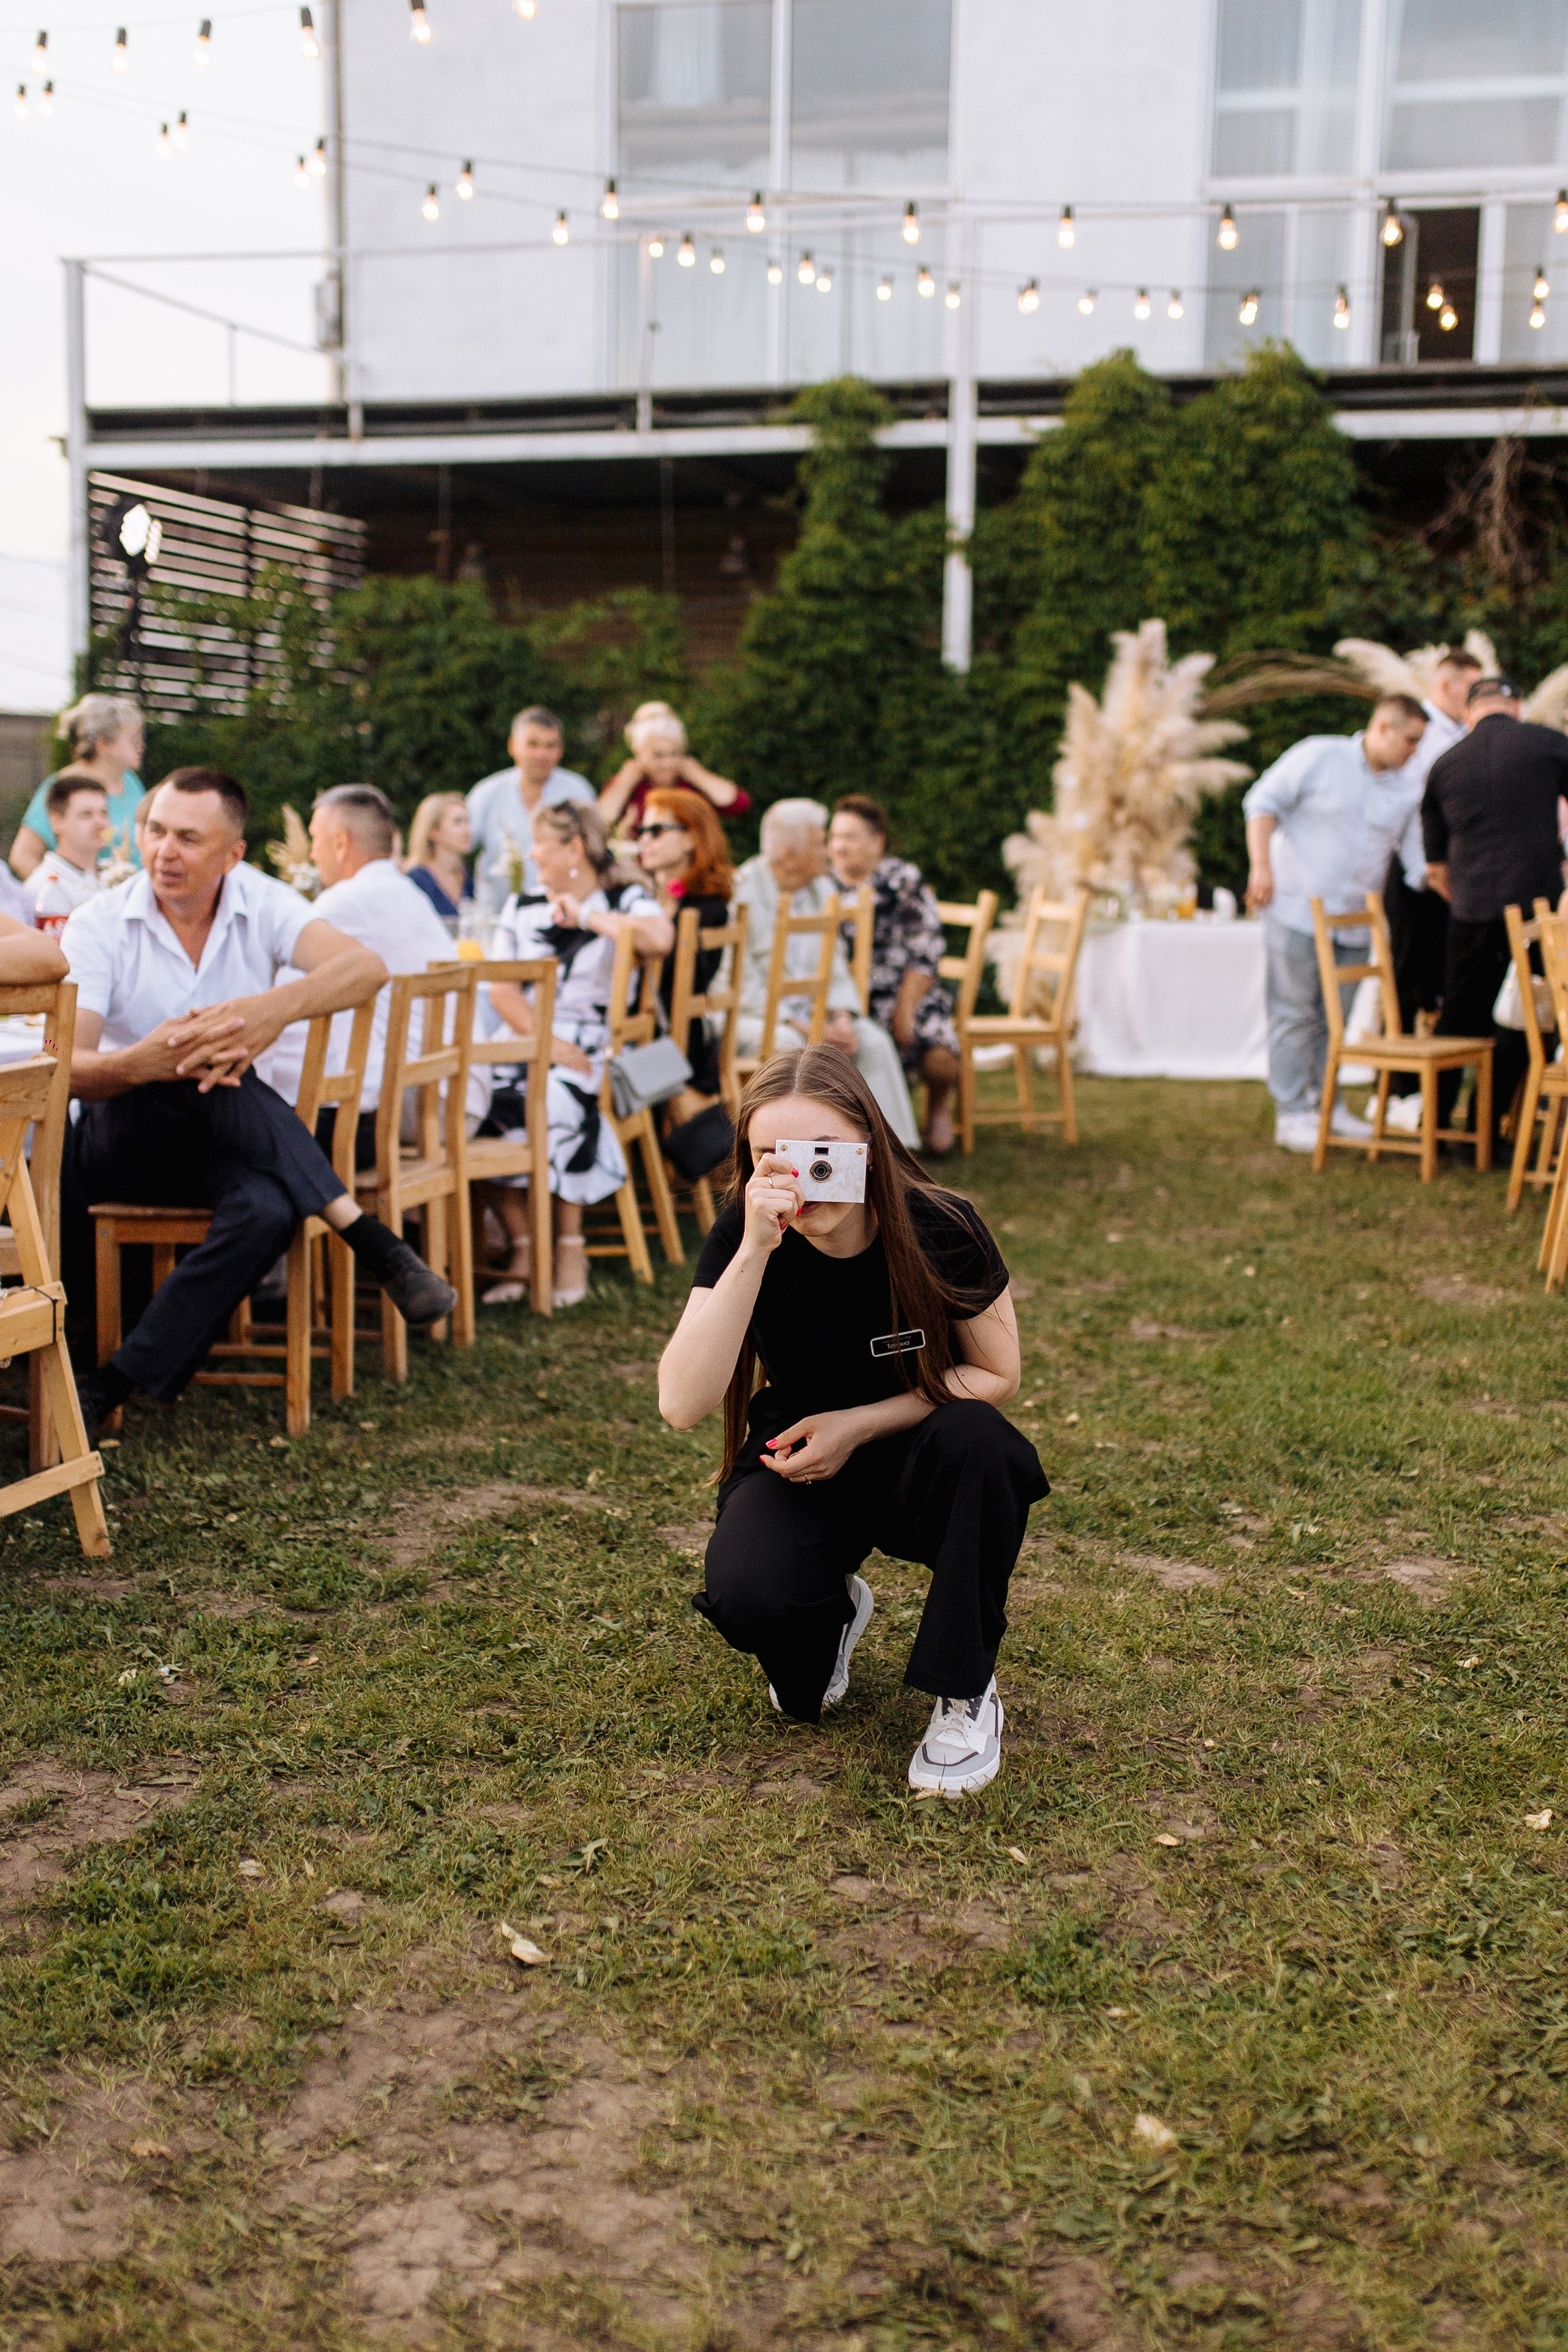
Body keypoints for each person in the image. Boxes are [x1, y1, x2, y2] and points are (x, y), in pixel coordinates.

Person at [658, 1046, 1047, 1795]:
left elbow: (996, 1374)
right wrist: (754, 1251)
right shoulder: (748, 1230)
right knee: (762, 1619)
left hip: (923, 1448)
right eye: (773, 1156)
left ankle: (965, 1688)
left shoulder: (940, 1224)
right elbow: (680, 1403)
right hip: (800, 1452)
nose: (801, 1174)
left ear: (869, 1141)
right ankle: (829, 1612)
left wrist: (859, 1423)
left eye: (824, 1151)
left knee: (982, 1441)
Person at [58, 766, 459, 1436]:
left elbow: (365, 969)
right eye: (155, 831)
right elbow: (68, 1068)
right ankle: (369, 1238)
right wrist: (144, 1062)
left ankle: (111, 1384)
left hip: (224, 1141)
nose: (164, 851)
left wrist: (270, 1011)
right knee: (201, 1051)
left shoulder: (262, 901)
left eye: (188, 838)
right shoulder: (99, 923)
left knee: (268, 1209)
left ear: (232, 854)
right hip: (120, 1139)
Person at [479, 801, 673, 1309]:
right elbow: (501, 991)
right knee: (476, 1099)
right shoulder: (522, 906)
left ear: (574, 849)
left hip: (597, 1041)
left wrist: (586, 915)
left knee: (556, 1095)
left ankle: (570, 1245)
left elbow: (659, 938)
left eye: (539, 843)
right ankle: (523, 1246)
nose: (531, 854)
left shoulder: (623, 899)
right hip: (529, 1034)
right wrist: (546, 1043)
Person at [257, 785, 484, 1170]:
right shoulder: (404, 890)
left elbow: (282, 994)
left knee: (273, 1114)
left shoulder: (347, 901)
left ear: (341, 843)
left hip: (429, 1103)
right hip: (458, 1091)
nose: (312, 854)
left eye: (315, 839)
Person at [1243, 695, 1428, 1154]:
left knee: (1335, 1020)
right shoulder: (1319, 755)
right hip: (1296, 912)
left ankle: (1327, 1105)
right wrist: (1261, 868)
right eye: (1410, 740)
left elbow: (1416, 862)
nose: (1415, 751)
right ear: (1383, 729)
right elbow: (1261, 803)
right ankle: (1291, 1113)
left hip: (1354, 924)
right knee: (1294, 1014)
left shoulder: (1408, 790)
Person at [1423, 676, 1568, 1148]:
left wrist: (1465, 897)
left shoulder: (1445, 764)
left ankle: (1437, 1129)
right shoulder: (1549, 745)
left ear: (1469, 714)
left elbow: (1435, 867)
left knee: (1458, 1020)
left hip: (1470, 911)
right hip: (1536, 912)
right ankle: (1490, 1129)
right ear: (1517, 707)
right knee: (1528, 1019)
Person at [732, 800, 921, 1149]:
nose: (830, 850)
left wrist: (841, 1016)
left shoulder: (822, 890)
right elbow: (739, 983)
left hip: (815, 1013)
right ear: (790, 853)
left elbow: (835, 965)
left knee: (873, 1041)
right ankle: (801, 1151)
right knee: (790, 1046)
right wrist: (807, 1027)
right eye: (821, 842)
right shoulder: (739, 891)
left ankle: (893, 1154)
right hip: (753, 1016)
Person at [827, 794, 962, 1156]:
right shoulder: (821, 884)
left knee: (939, 1054)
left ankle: (937, 1107)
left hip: (905, 990)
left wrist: (905, 1010)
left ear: (877, 841)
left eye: (850, 837)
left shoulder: (902, 880)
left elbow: (926, 951)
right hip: (845, 999)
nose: (839, 846)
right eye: (834, 836)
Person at [1382, 648, 1480, 1105]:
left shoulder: (1461, 736)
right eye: (1471, 687)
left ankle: (1422, 1086)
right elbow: (1410, 814)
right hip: (1414, 879)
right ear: (1446, 685)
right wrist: (1426, 873)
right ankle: (1398, 1088)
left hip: (1444, 882)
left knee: (1434, 985)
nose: (1476, 697)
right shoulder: (1422, 738)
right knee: (1405, 982)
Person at [634, 783, 733, 1102]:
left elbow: (676, 981)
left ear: (692, 838)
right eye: (641, 831)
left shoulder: (708, 908)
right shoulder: (641, 900)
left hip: (669, 1048)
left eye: (656, 831)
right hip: (647, 1037)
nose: (644, 840)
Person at [467, 707, 595, 918]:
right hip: (495, 915)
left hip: (560, 916)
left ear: (561, 750)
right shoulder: (487, 793)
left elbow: (592, 852)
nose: (542, 754)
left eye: (551, 746)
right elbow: (458, 846)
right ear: (513, 746)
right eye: (533, 744)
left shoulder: (578, 792)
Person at [10, 695, 145, 880]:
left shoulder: (130, 781)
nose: (141, 746)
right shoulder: (63, 787)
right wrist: (62, 891)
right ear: (104, 744)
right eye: (134, 739)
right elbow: (22, 856)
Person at [598, 702, 749, 839]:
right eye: (658, 755)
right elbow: (600, 820)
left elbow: (739, 804)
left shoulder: (689, 785)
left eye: (674, 754)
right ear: (639, 754)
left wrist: (698, 775)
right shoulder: (632, 785)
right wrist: (625, 782)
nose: (668, 764)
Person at [30, 774, 111, 935]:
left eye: (104, 813)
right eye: (86, 815)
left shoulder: (114, 875)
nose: (100, 823)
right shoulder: (42, 888)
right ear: (57, 822)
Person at [404, 793, 475, 927]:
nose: (467, 830)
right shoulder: (417, 880)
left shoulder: (466, 876)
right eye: (457, 822)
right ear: (433, 831)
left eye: (468, 822)